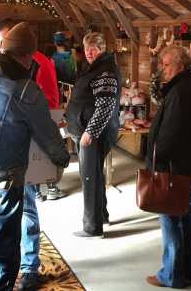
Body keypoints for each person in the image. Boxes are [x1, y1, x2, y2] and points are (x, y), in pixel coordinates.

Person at [0, 22, 69, 291]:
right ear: (26, 56)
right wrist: (63, 157)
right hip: (2, 181)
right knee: (4, 252)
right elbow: (48, 137)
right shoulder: (24, 90)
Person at [0, 18, 64, 289]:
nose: (0, 48)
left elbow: (52, 102)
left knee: (27, 210)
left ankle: (29, 265)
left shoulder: (42, 63)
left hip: (26, 149)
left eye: (4, 42)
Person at [145, 45, 191, 288]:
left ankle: (172, 274)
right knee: (186, 216)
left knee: (172, 219)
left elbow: (170, 135)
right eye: (162, 64)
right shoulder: (188, 87)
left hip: (175, 166)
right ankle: (190, 270)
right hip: (186, 164)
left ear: (181, 65)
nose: (162, 69)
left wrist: (156, 163)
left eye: (166, 64)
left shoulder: (182, 92)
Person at [66, 32, 121, 238]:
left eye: (93, 49)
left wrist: (90, 131)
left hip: (93, 134)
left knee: (89, 178)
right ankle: (102, 214)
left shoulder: (105, 71)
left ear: (102, 49)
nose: (89, 52)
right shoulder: (95, 67)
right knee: (95, 175)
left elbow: (105, 106)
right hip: (87, 130)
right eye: (87, 48)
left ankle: (92, 227)